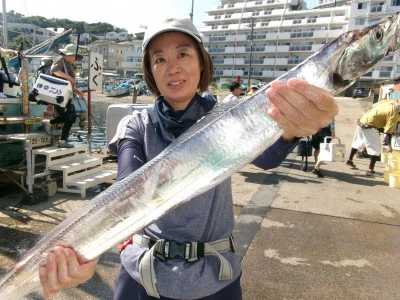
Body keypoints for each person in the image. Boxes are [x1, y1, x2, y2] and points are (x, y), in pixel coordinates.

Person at [38, 17, 338, 300]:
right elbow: (127, 189)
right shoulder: (137, 124)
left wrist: (293, 129)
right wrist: (86, 251)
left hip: (214, 277)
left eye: (183, 54)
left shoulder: (231, 117)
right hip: (141, 277)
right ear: (150, 72)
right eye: (159, 59)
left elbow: (268, 157)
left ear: (201, 62)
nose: (173, 68)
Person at [41, 44, 85, 148]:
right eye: (75, 56)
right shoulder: (60, 60)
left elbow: (66, 83)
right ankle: (48, 123)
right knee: (68, 117)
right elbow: (54, 71)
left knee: (71, 118)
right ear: (69, 54)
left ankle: (62, 141)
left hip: (66, 95)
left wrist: (77, 91)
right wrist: (70, 78)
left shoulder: (67, 64)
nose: (75, 59)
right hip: (59, 96)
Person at [346, 99, 400, 176]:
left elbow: (376, 109)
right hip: (370, 127)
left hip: (363, 121)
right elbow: (388, 133)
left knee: (358, 142)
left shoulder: (390, 102)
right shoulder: (394, 114)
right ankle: (370, 170)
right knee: (376, 148)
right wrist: (389, 146)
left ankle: (350, 160)